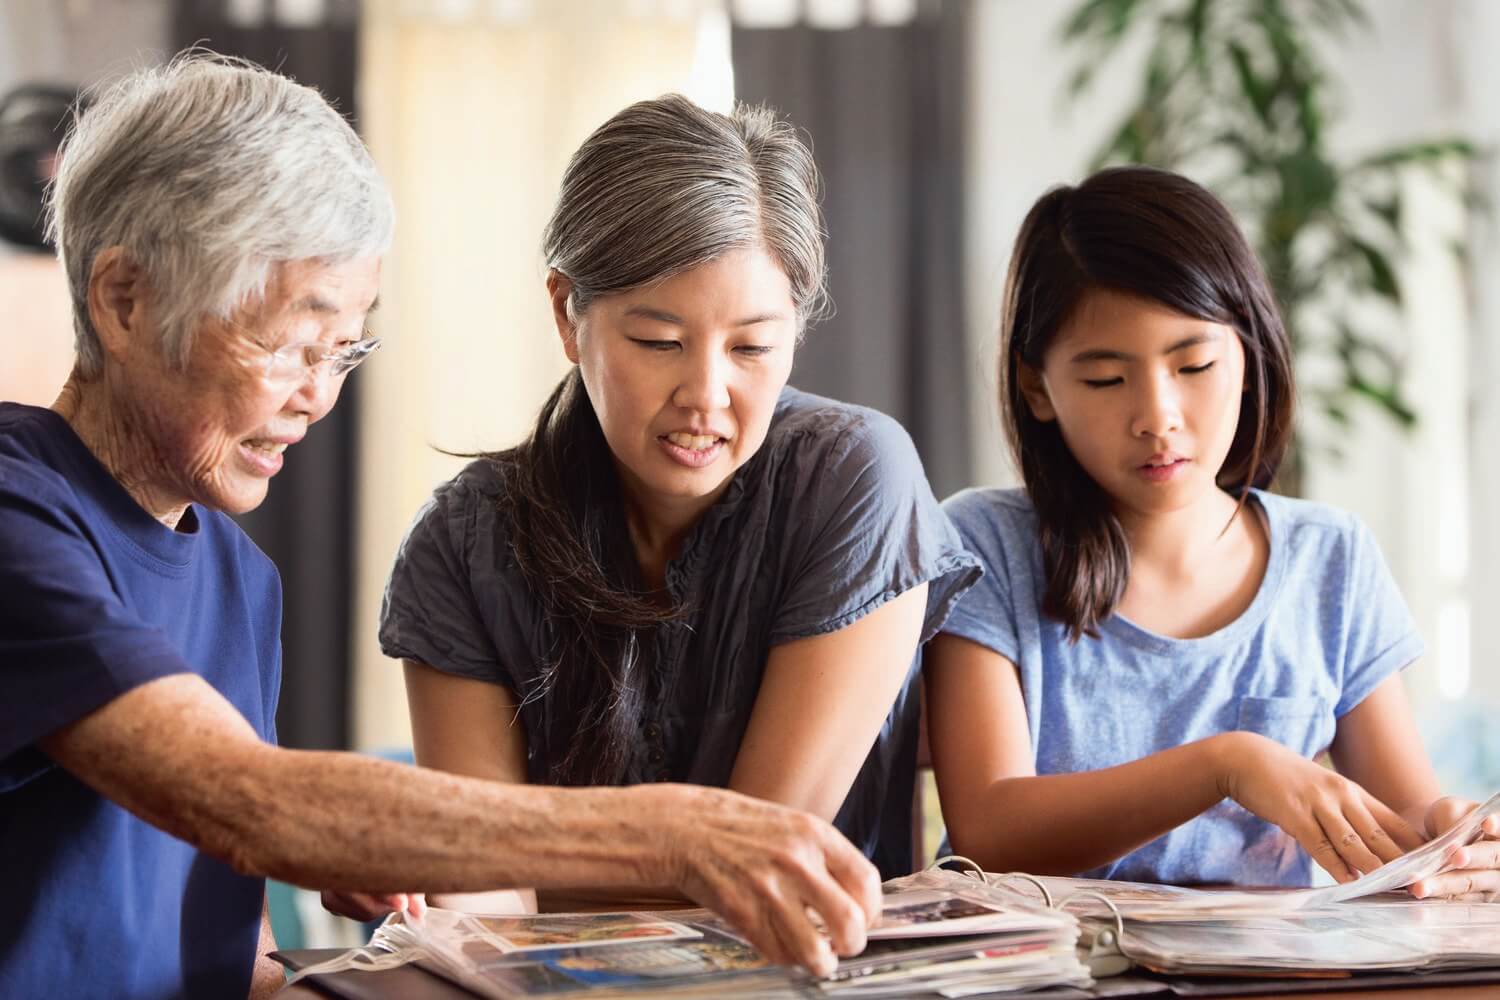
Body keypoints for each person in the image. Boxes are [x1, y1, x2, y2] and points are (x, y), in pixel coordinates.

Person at [0, 54, 886, 1000]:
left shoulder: (237, 578)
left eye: (344, 349)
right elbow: (249, 805)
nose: (318, 397)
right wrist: (681, 831)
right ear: (124, 299)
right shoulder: (18, 514)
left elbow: (237, 965)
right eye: (291, 345)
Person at [372, 95, 979, 915]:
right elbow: (483, 902)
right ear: (566, 312)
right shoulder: (464, 542)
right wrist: (436, 880)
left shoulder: (853, 481)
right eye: (658, 342)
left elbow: (753, 860)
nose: (706, 396)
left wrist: (517, 860)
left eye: (753, 347)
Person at [925, 165, 1500, 896]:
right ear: (1037, 387)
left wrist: (1446, 840)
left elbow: (1398, 818)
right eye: (1106, 380)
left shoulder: (1330, 558)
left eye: (1193, 364)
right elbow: (989, 828)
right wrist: (1225, 764)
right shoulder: (984, 547)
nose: (1157, 416)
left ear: (1249, 357)